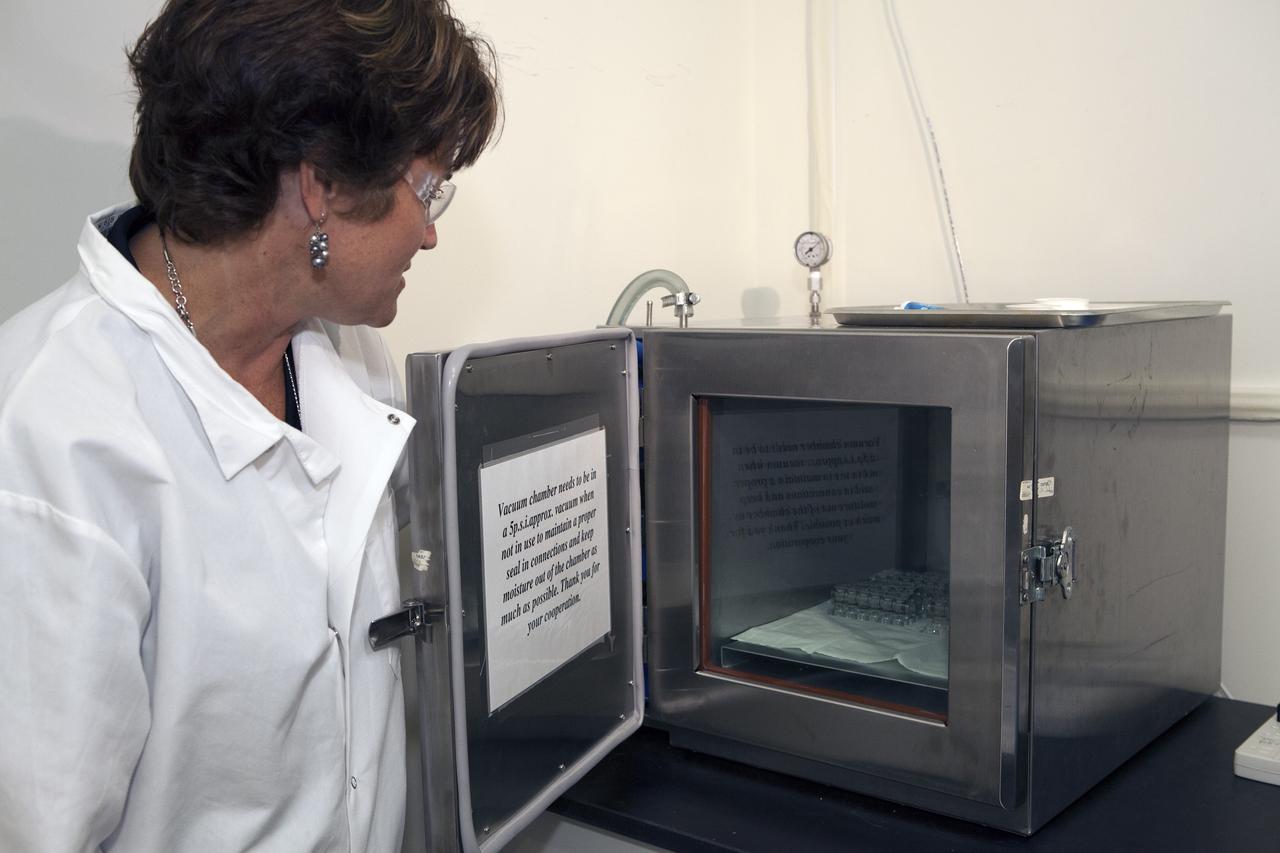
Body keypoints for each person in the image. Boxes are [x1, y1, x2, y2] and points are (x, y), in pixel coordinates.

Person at [0, 0, 499, 849]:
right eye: (426, 187)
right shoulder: (51, 438)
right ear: (322, 185)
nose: (430, 230)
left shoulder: (345, 351)